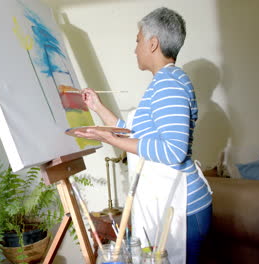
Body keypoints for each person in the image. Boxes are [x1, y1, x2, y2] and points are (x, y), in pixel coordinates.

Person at [74, 7, 212, 264]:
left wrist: (111, 140)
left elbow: (173, 150)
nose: (134, 48)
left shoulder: (170, 84)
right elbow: (136, 133)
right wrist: (97, 107)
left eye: (137, 41)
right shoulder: (164, 82)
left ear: (153, 43)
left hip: (184, 207)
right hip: (174, 200)